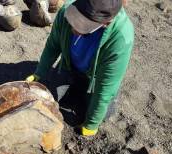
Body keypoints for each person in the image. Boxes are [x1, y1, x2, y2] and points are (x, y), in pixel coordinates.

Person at [26, 0, 134, 136]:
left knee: (102, 113)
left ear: (106, 23)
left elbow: (106, 87)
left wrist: (92, 123)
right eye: (74, 19)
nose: (73, 29)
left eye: (83, 26)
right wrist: (39, 73)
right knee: (49, 97)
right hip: (69, 67)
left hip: (95, 79)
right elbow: (53, 45)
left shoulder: (121, 38)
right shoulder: (66, 9)